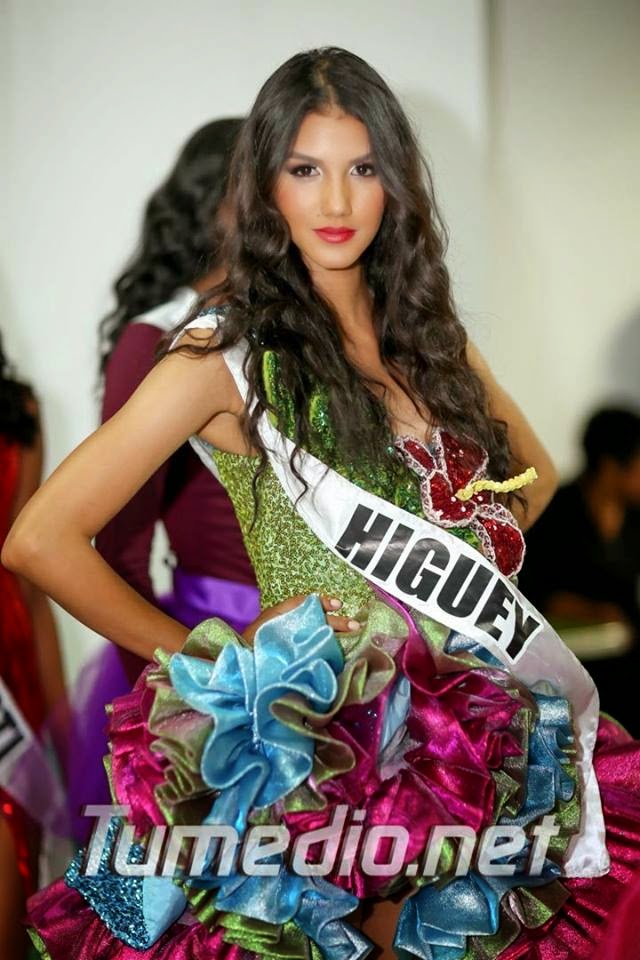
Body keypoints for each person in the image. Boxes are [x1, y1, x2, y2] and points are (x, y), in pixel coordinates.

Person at [4, 47, 640, 960]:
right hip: (307, 765)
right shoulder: (221, 355)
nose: (336, 202)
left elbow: (529, 481)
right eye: (306, 170)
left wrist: (449, 592)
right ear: (267, 185)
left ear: (396, 183)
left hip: (467, 751)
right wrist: (216, 663)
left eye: (362, 169)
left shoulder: (433, 341)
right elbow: (40, 539)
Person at [62, 120, 261, 842]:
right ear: (211, 203)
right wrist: (170, 701)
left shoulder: (300, 331)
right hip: (214, 644)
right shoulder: (157, 338)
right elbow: (116, 549)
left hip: (324, 647)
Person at [0, 336, 66, 958]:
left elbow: (29, 574)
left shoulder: (16, 408)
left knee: (18, 827)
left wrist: (59, 712)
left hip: (10, 648)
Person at [520, 407, 640, 734]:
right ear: (612, 466)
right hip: (573, 666)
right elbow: (535, 590)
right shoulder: (557, 513)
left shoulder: (634, 520)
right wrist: (591, 612)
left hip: (626, 656)